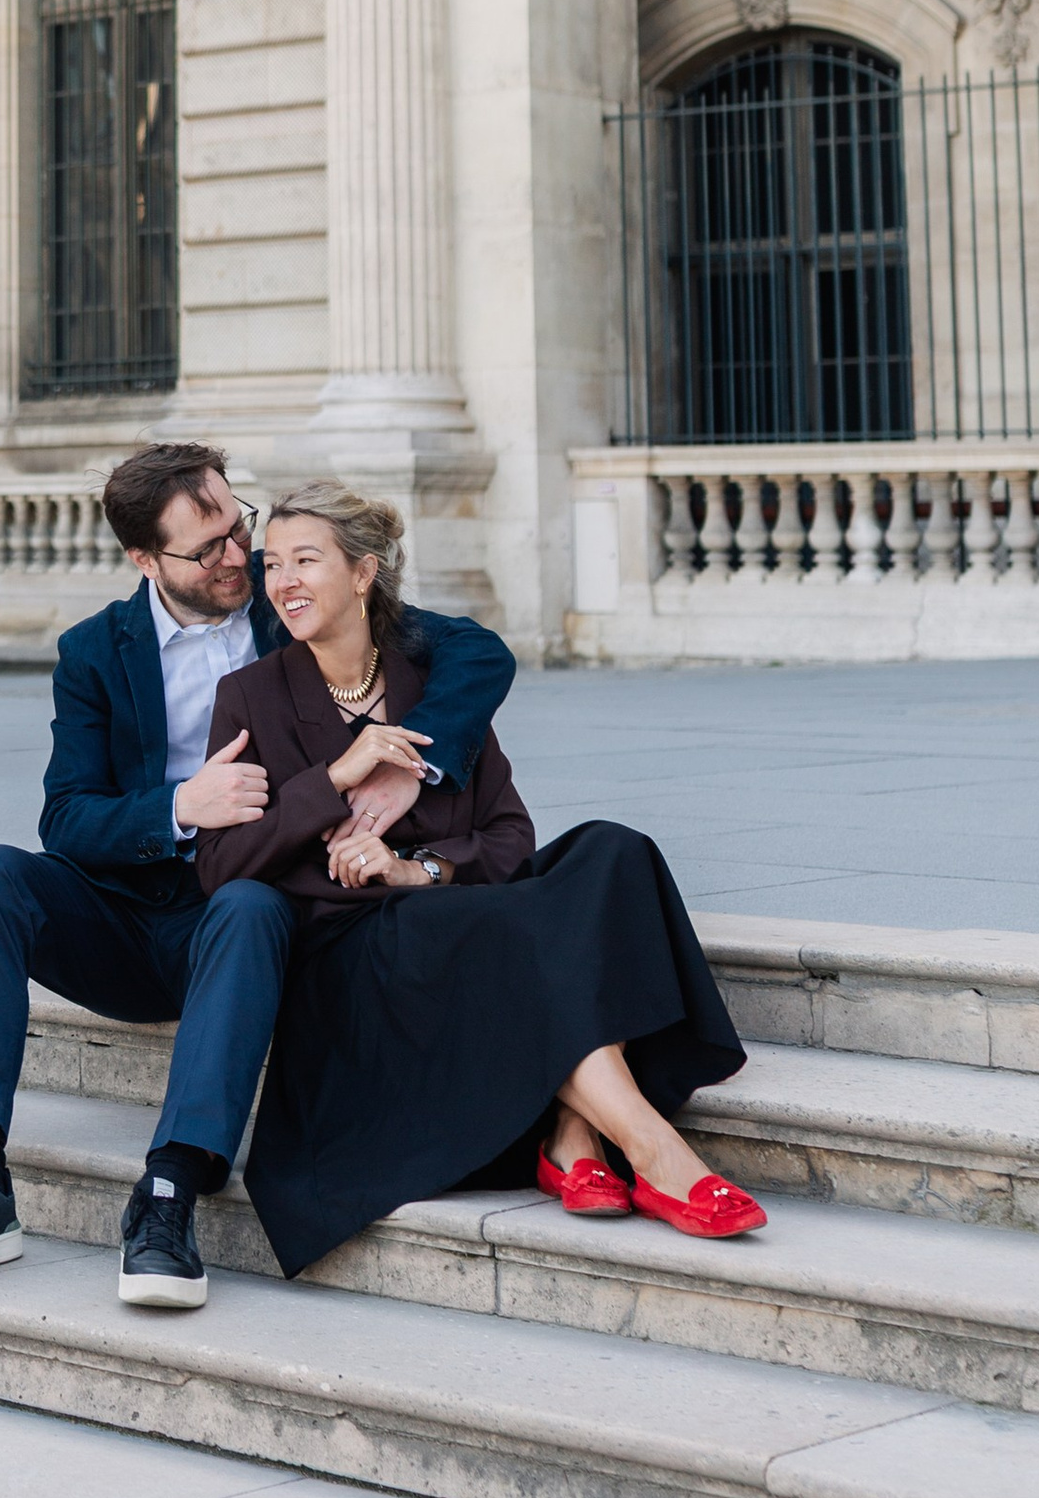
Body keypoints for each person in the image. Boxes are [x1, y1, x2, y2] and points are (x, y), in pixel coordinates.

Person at [0, 440, 515, 1311]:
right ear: (145, 559)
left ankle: (170, 1192)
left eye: (240, 529)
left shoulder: (287, 608)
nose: (240, 559)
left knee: (250, 904)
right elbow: (66, 817)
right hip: (120, 916)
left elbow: (479, 653)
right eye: (209, 547)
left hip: (242, 911)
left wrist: (410, 764)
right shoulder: (93, 653)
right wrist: (180, 804)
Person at [199, 483, 760, 1277]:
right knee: (494, 925)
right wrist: (337, 777)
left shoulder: (432, 682)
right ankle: (653, 1148)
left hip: (448, 910)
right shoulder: (251, 696)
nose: (282, 581)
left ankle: (572, 1139)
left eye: (306, 561)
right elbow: (220, 866)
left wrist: (416, 865)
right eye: (274, 563)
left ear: (364, 575)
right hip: (354, 950)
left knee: (612, 851)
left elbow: (508, 834)